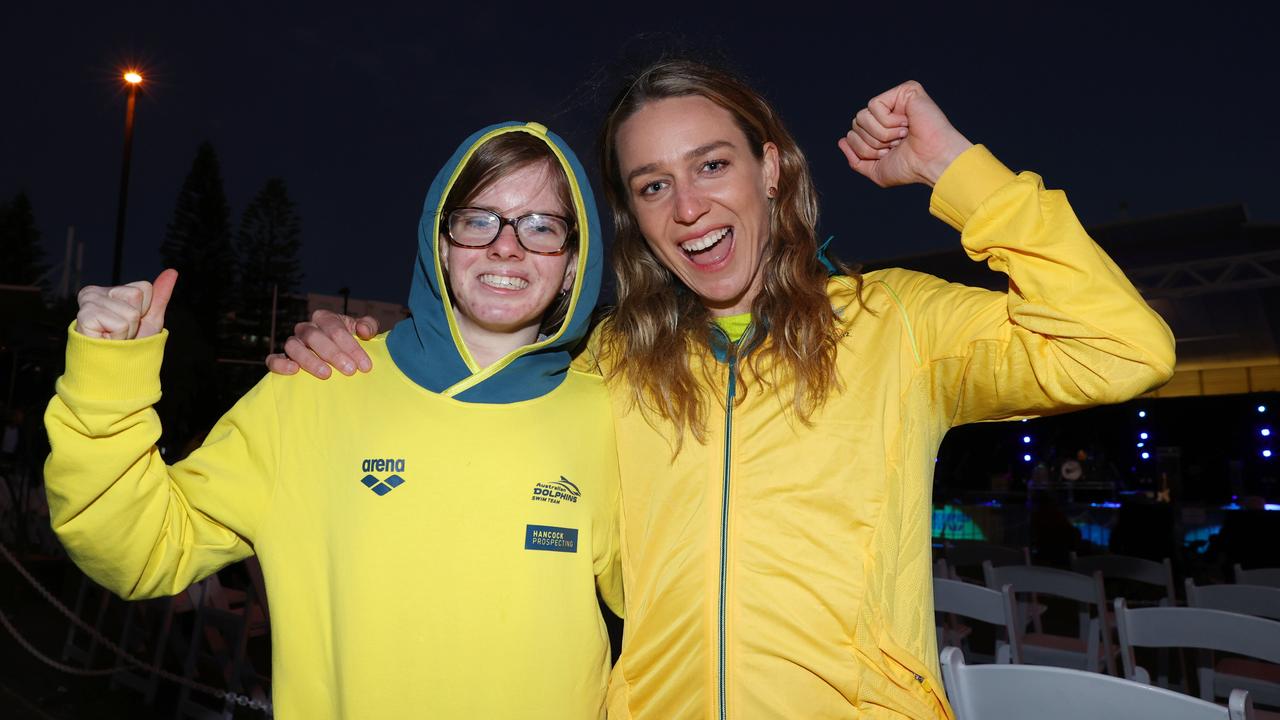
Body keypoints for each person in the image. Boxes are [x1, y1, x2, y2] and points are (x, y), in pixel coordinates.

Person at [272, 60, 1176, 719]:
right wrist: (375, 354)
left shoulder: (895, 325)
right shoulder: (611, 365)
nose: (688, 206)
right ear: (634, 217)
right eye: (653, 184)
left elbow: (1123, 348)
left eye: (712, 165)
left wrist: (959, 172)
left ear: (771, 170)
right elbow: (477, 413)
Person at [44, 122, 623, 719]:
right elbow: (139, 549)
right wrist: (107, 382)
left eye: (541, 226)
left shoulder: (612, 416)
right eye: (478, 220)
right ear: (441, 243)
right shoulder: (318, 387)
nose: (506, 246)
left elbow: (681, 607)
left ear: (575, 261)